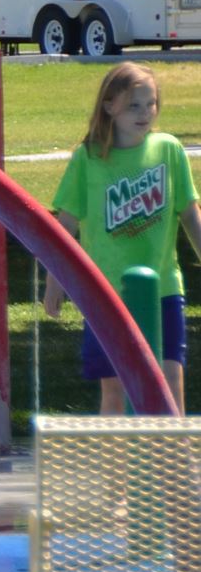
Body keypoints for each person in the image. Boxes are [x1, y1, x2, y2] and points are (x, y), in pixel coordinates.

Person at [45, 61, 196, 414]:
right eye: (134, 105)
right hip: (106, 294)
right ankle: (114, 467)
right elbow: (63, 228)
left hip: (164, 290)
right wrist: (55, 283)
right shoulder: (89, 159)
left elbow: (190, 214)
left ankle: (174, 464)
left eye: (151, 104)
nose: (145, 113)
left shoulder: (169, 151)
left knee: (170, 379)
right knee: (114, 387)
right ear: (109, 106)